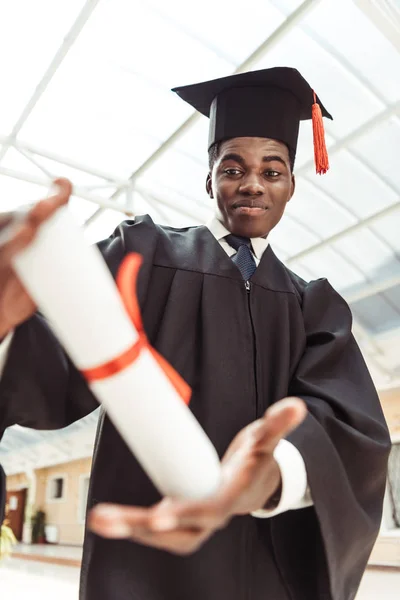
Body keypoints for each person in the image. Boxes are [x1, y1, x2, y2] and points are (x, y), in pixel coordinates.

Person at [0, 67, 390, 600]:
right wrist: (5, 324)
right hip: (145, 564)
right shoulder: (145, 253)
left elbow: (349, 428)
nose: (253, 183)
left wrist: (266, 477)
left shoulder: (311, 305)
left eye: (273, 172)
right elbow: (57, 351)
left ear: (292, 186)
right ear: (209, 179)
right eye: (234, 168)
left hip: (269, 570)